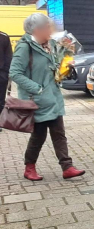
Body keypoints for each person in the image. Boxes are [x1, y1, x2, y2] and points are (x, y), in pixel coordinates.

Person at [9, 13, 86, 181]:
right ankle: (29, 168)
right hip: (36, 99)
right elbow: (14, 73)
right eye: (47, 28)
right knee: (39, 136)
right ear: (37, 30)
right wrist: (37, 88)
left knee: (59, 133)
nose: (51, 31)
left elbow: (54, 65)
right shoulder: (25, 47)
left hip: (53, 96)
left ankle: (67, 167)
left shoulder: (49, 44)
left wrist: (66, 59)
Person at [0, 31, 11, 132]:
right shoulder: (4, 36)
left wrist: (5, 73)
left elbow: (9, 57)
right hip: (2, 74)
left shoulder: (4, 37)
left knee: (0, 99)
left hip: (1, 74)